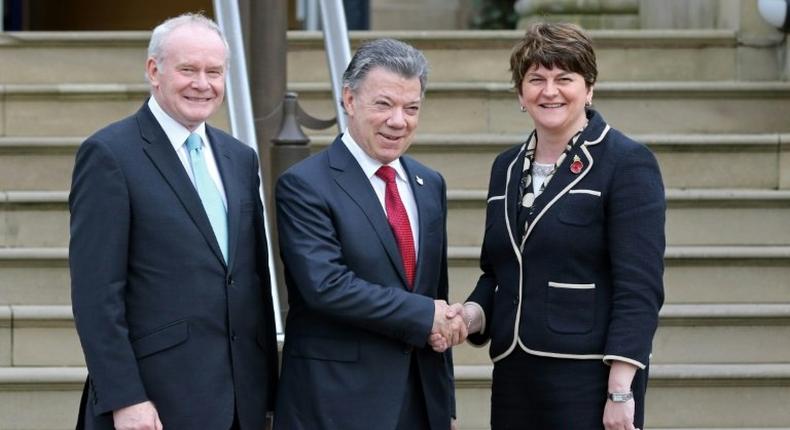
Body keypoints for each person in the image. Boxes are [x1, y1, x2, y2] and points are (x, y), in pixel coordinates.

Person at [69, 13, 278, 430]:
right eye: (188, 69)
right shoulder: (110, 155)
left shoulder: (240, 158)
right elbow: (96, 295)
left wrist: (269, 389)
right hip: (155, 402)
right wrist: (125, 396)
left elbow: (250, 281)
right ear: (154, 71)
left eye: (214, 72)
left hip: (242, 401)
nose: (203, 83)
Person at [459, 22, 665, 429]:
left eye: (564, 79)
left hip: (589, 379)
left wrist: (621, 388)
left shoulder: (626, 163)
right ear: (521, 93)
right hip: (515, 377)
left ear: (588, 88)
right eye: (536, 79)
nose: (549, 91)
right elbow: (499, 271)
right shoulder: (506, 167)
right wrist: (469, 316)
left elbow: (639, 287)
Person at [273, 38, 466, 430]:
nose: (399, 120)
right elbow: (326, 286)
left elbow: (433, 291)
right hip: (336, 404)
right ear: (349, 100)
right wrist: (427, 314)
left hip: (420, 402)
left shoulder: (430, 184)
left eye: (411, 108)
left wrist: (443, 403)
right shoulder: (305, 184)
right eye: (384, 104)